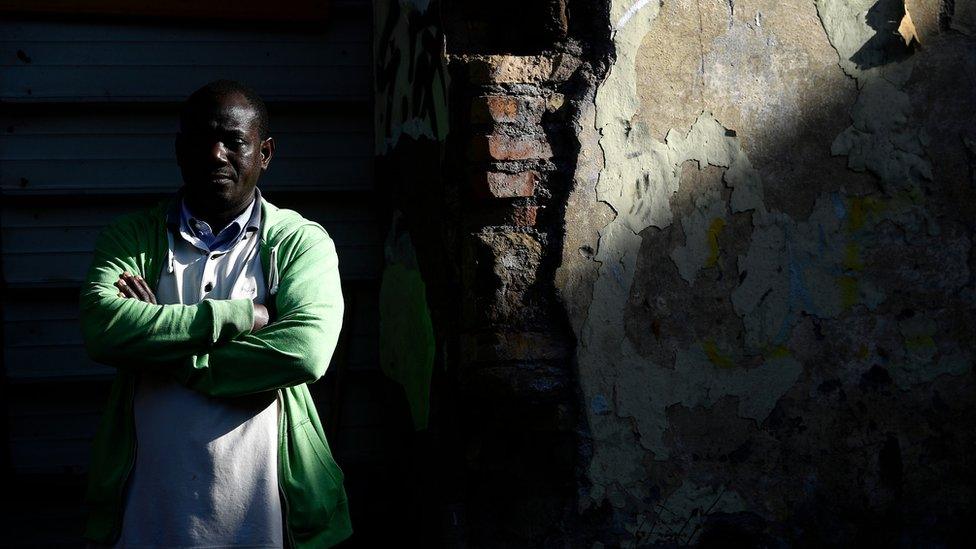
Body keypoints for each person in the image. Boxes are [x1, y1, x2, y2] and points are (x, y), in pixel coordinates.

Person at [79, 80, 352, 548]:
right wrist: (242, 316)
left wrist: (165, 344)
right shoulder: (132, 238)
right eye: (202, 141)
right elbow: (104, 329)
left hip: (265, 520)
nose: (216, 154)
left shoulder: (301, 242)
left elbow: (305, 353)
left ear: (264, 153)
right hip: (149, 513)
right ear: (180, 150)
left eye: (234, 141)